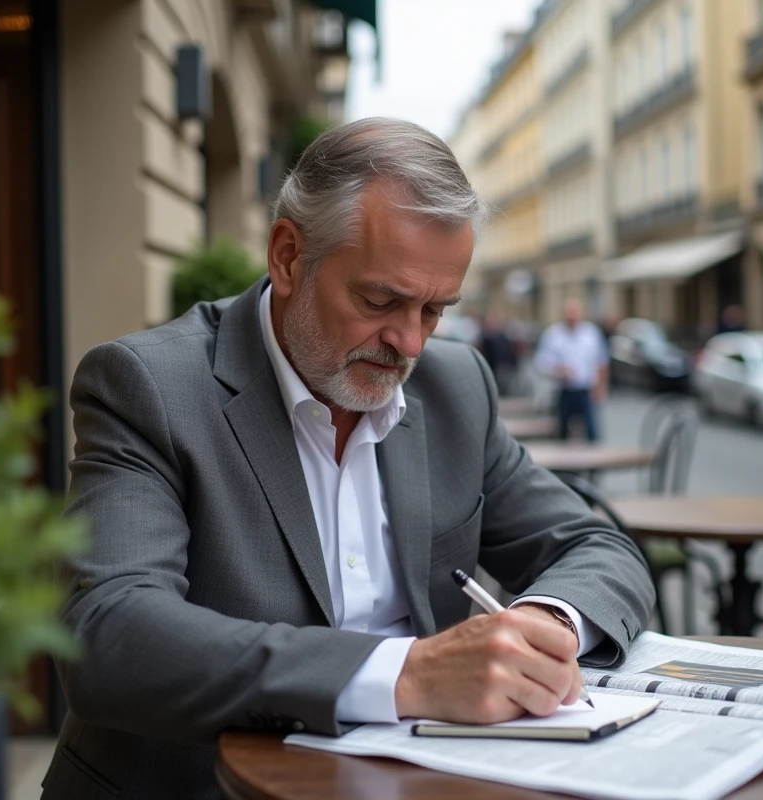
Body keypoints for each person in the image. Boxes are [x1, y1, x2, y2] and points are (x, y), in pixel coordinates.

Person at [42, 119, 654, 799]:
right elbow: (110, 636)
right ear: (287, 256)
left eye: (434, 310)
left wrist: (542, 625)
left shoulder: (455, 388)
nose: (410, 343)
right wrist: (408, 675)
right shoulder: (150, 387)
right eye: (380, 300)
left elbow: (599, 546)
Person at [534, 299, 610, 442]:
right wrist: (558, 370)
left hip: (586, 389)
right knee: (562, 430)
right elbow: (541, 362)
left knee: (592, 431)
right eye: (569, 315)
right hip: (564, 390)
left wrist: (601, 387)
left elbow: (602, 362)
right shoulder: (553, 334)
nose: (572, 318)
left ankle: (593, 462)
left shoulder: (591, 333)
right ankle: (563, 462)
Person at [477, 309, 519, 396]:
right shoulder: (484, 337)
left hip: (502, 367)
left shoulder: (502, 336)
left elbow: (508, 352)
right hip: (489, 367)